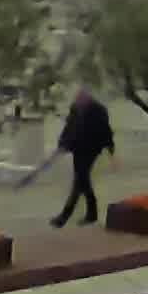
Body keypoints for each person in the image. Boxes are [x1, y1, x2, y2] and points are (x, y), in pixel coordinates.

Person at [49, 84, 116, 227]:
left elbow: (106, 130)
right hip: (78, 149)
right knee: (82, 182)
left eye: (82, 95)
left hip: (91, 150)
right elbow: (69, 127)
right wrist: (62, 144)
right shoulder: (75, 108)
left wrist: (111, 150)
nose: (79, 98)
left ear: (88, 96)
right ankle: (92, 214)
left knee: (80, 181)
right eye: (78, 96)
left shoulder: (98, 110)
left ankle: (64, 217)